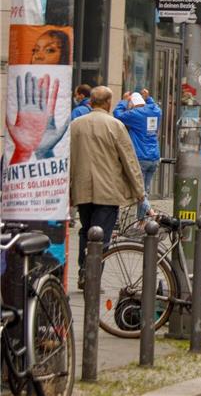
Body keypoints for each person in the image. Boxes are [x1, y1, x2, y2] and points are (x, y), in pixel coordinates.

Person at [70, 86, 145, 288]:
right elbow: (129, 160)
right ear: (108, 103)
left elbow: (67, 158)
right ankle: (92, 277)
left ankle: (83, 270)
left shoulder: (76, 125)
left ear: (90, 102)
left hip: (82, 189)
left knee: (86, 231)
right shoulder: (115, 125)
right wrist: (140, 193)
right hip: (107, 191)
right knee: (101, 236)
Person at [113, 90, 162, 220]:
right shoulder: (156, 111)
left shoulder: (136, 114)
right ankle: (141, 222)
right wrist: (148, 97)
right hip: (154, 157)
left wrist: (124, 101)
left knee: (138, 192)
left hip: (140, 157)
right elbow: (154, 105)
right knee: (145, 191)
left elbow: (117, 114)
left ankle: (152, 213)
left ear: (133, 104)